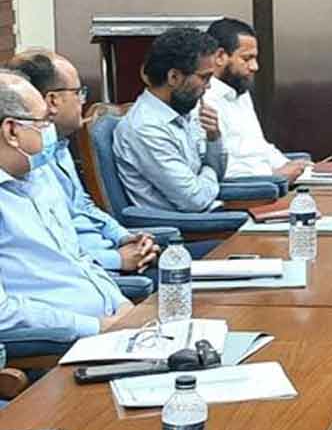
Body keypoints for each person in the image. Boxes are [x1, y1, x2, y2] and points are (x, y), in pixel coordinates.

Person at [0, 70, 131, 336]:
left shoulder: (40, 177)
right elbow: (5, 313)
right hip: (61, 344)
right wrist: (97, 327)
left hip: (112, 322)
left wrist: (122, 304)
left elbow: (78, 258)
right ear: (12, 131)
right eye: (44, 121)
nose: (51, 130)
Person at [8, 51, 160, 274]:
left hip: (106, 262)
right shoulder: (29, 164)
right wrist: (116, 259)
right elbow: (46, 255)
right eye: (78, 92)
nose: (83, 100)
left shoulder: (59, 147)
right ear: (52, 100)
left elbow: (82, 205)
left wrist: (124, 237)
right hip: (91, 271)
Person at [114, 28, 226, 213]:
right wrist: (209, 170)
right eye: (204, 77)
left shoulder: (183, 112)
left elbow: (217, 176)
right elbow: (195, 200)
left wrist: (214, 138)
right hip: (183, 226)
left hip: (210, 216)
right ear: (173, 77)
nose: (208, 86)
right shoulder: (146, 128)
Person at [204, 18, 309, 183]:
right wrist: (275, 175)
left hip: (272, 182)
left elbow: (259, 146)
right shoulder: (205, 100)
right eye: (247, 58)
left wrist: (291, 166)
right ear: (220, 56)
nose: (255, 67)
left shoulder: (240, 91)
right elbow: (222, 169)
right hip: (251, 188)